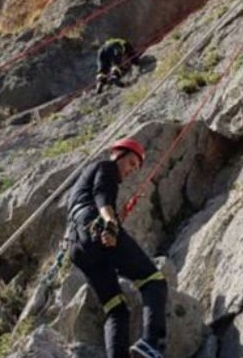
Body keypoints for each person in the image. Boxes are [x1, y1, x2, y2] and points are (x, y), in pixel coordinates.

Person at [66, 138, 167, 358]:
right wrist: (111, 225)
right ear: (118, 154)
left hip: (77, 246)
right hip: (96, 229)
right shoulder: (106, 167)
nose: (131, 170)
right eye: (131, 163)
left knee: (116, 309)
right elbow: (102, 194)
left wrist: (113, 219)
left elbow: (88, 205)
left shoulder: (79, 186)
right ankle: (151, 344)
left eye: (135, 167)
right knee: (153, 281)